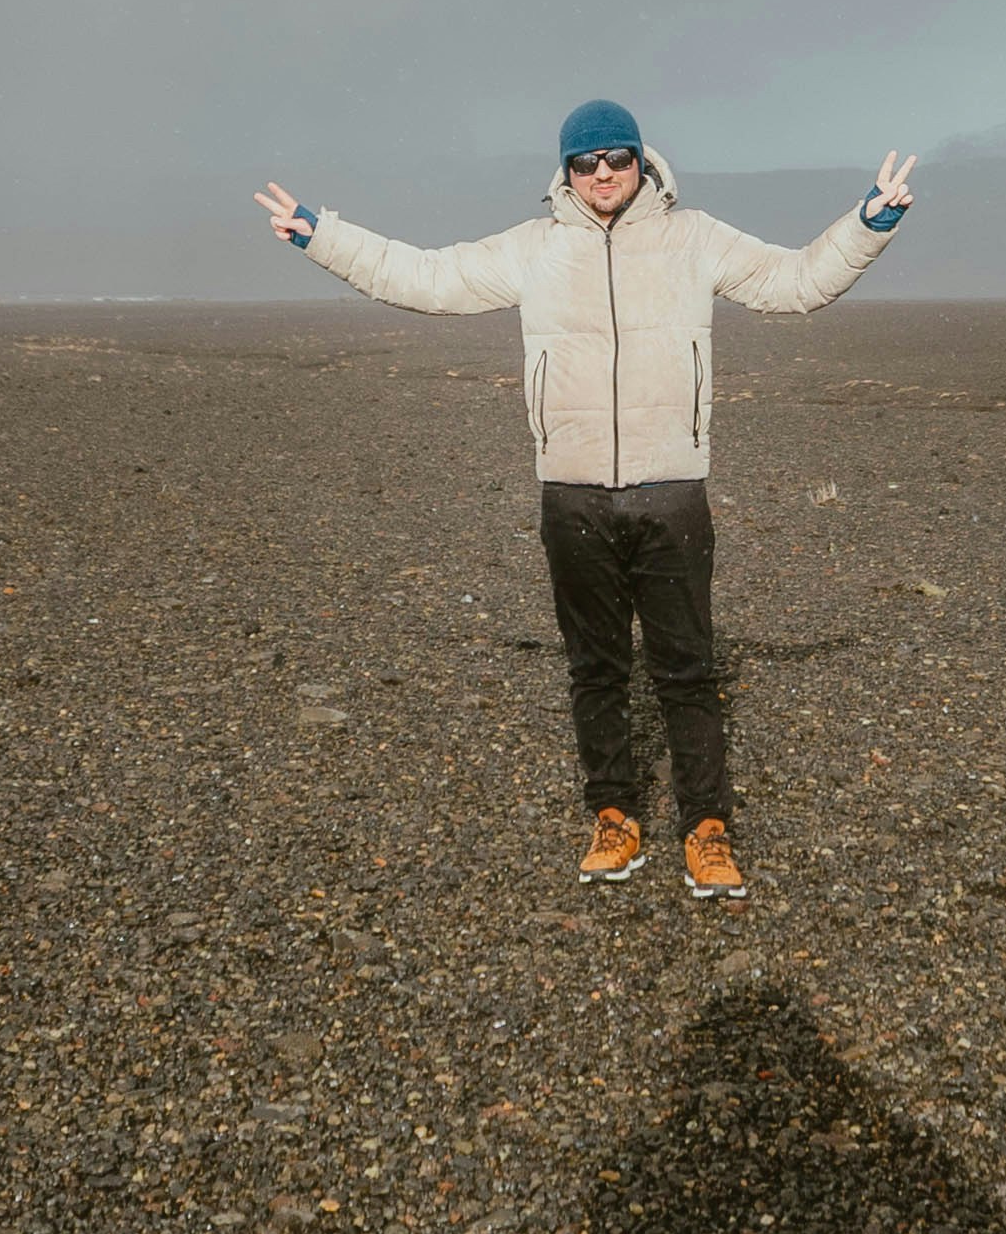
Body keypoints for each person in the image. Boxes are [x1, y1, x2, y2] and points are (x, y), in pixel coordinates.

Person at [255, 102, 916, 903]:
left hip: (671, 491)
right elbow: (423, 277)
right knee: (595, 671)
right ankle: (614, 817)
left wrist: (867, 223)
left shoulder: (694, 238)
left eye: (615, 157)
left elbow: (795, 284)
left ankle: (706, 829)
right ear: (563, 172)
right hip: (570, 495)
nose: (601, 173)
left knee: (687, 671)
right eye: (583, 162)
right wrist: (320, 235)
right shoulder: (533, 250)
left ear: (642, 160)